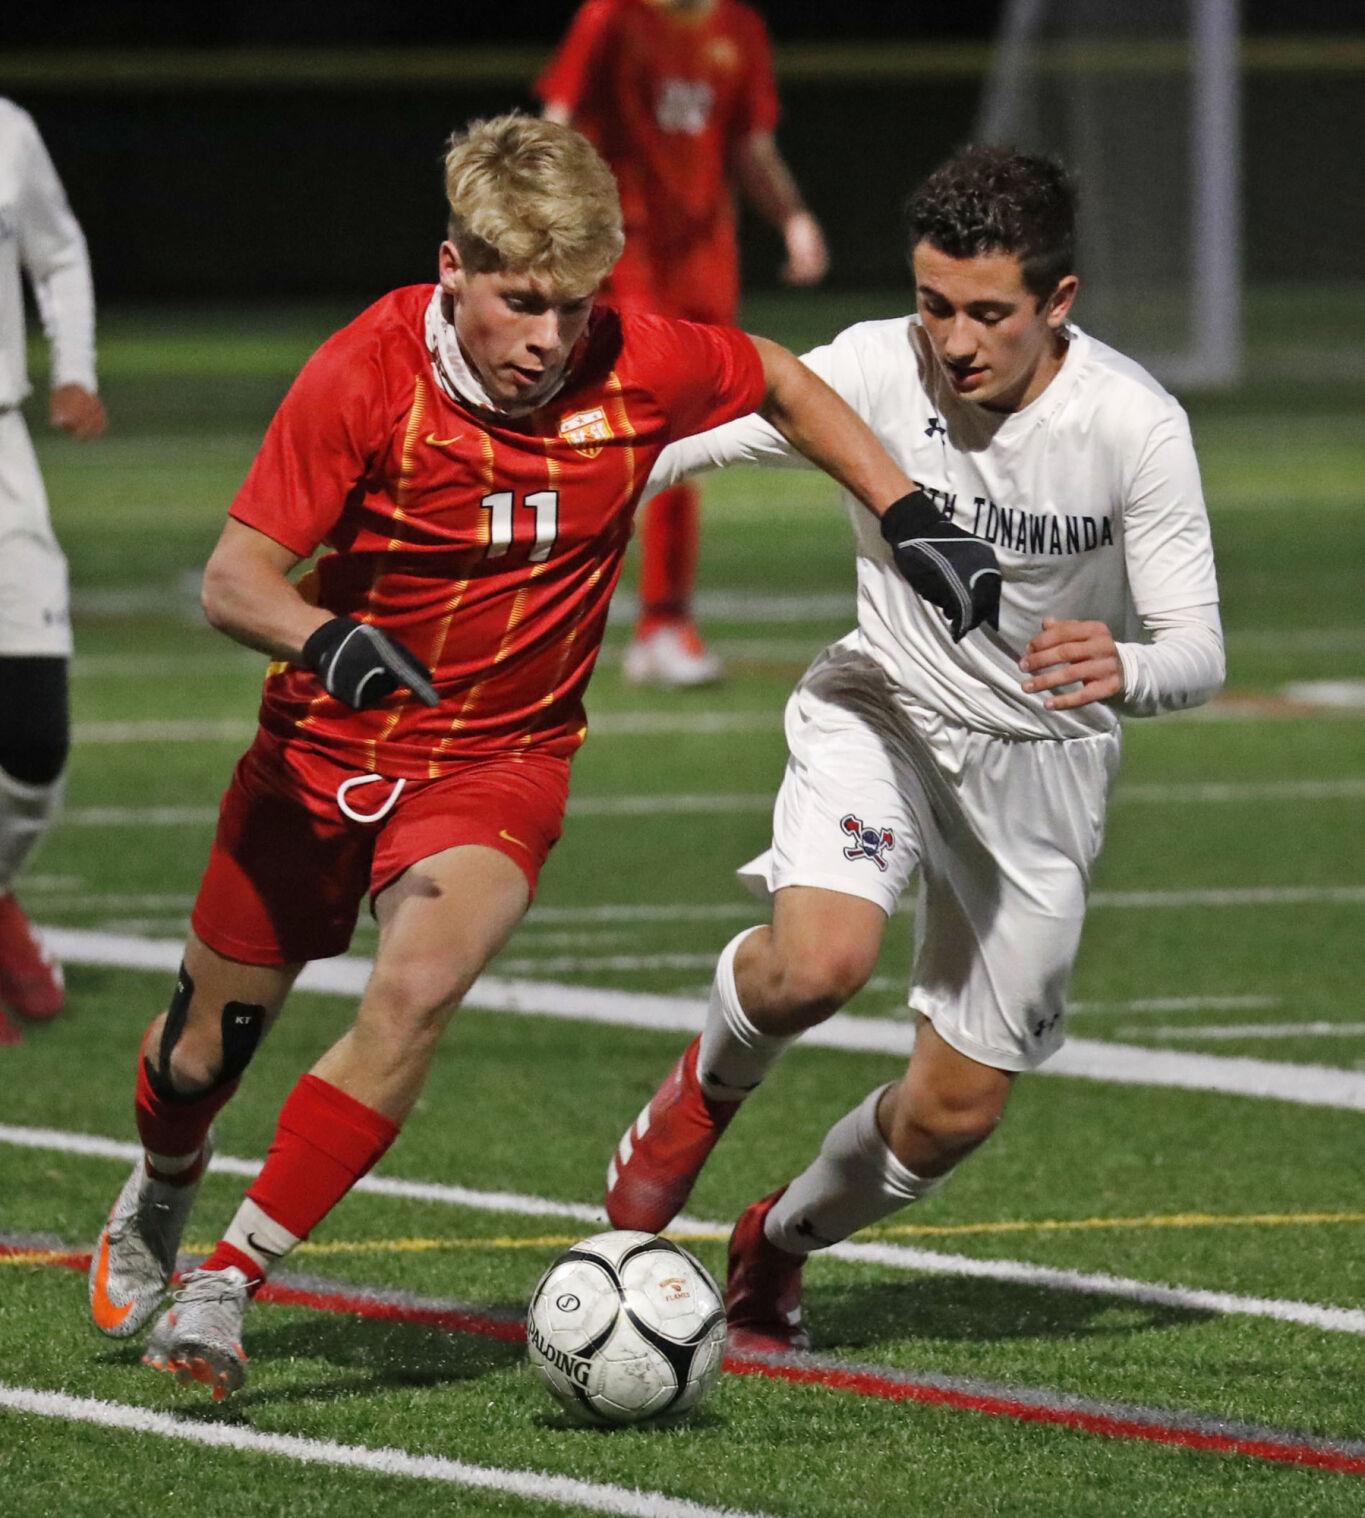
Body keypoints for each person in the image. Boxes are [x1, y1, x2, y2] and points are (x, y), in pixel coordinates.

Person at [86, 113, 989, 1400]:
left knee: (416, 992)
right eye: (521, 304)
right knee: (200, 1056)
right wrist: (325, 639)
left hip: (499, 760)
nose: (550, 339)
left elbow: (780, 380)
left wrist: (904, 511)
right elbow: (235, 579)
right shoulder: (363, 374)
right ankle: (165, 1187)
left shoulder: (635, 358)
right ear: (452, 270)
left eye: (573, 307)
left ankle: (228, 1280)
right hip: (323, 750)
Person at [604, 146, 1226, 1352]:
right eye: (935, 304)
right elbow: (699, 437)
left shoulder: (1134, 424)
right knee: (817, 965)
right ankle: (700, 1095)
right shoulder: (876, 366)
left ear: (1059, 300)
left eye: (989, 313)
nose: (954, 341)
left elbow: (1198, 647)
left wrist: (1128, 666)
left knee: (953, 1114)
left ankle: (776, 1240)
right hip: (881, 707)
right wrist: (587, 491)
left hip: (1041, 769)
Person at [537, 0, 829, 687]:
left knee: (683, 439)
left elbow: (749, 145)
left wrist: (793, 219)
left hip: (705, 262)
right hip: (625, 255)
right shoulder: (610, 18)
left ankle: (661, 624)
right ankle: (594, 616)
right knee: (623, 429)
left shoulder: (739, 27)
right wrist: (544, 221)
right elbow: (558, 123)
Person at [0, 98, 108, 1047]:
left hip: (0, 451)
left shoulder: (7, 131)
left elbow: (59, 251)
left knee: (35, 739)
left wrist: (75, 367)